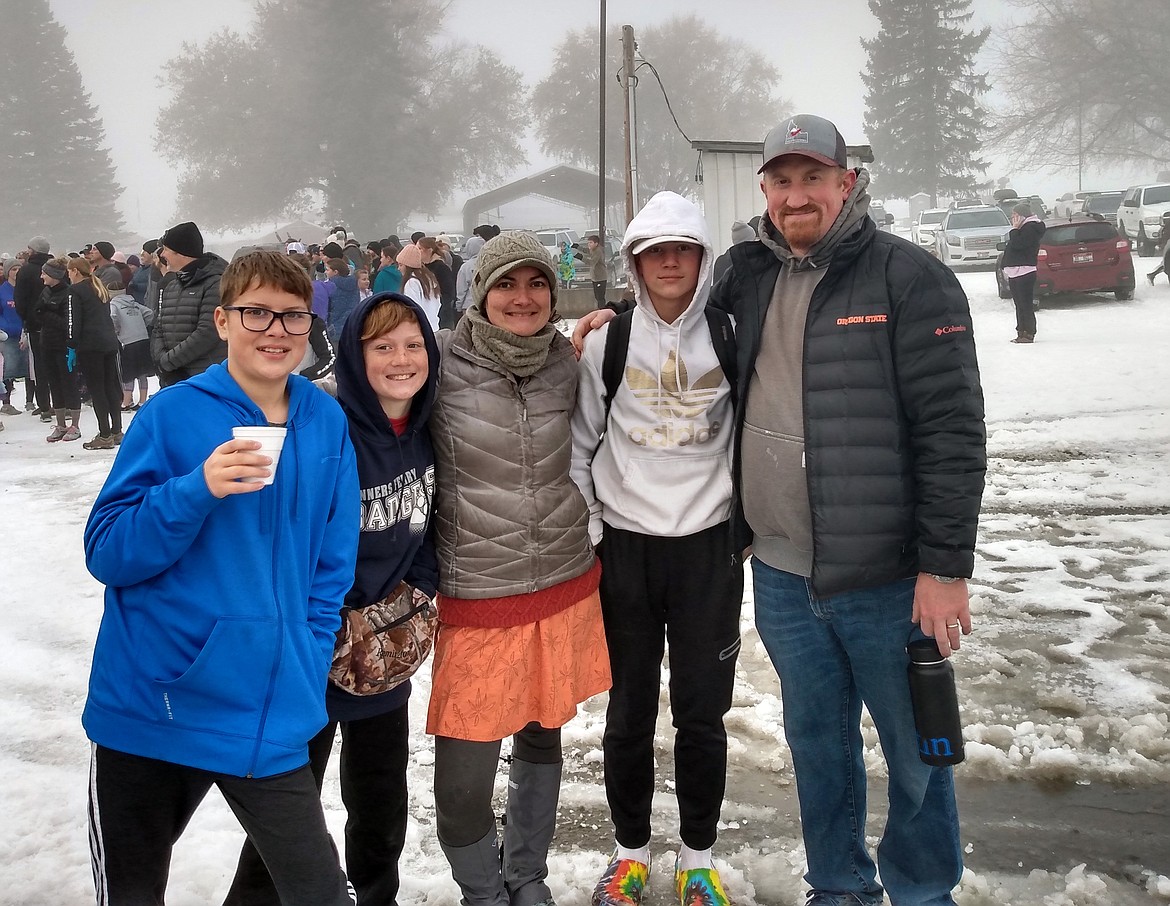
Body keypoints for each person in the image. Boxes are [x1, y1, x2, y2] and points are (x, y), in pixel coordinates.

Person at [575, 114, 986, 906]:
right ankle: (838, 887)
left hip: (886, 572)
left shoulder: (910, 277)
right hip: (783, 573)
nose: (797, 196)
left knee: (913, 751)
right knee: (817, 745)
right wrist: (605, 322)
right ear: (764, 190)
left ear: (846, 183)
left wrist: (944, 566)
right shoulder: (744, 277)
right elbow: (670, 312)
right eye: (782, 180)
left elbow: (953, 430)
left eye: (813, 178)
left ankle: (923, 890)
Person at [82, 250, 359, 906]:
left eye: (293, 316)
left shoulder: (326, 422)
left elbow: (331, 566)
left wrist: (306, 651)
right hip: (155, 702)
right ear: (223, 321)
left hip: (267, 707)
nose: (275, 330)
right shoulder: (171, 416)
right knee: (132, 893)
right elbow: (108, 551)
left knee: (320, 892)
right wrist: (195, 490)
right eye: (256, 312)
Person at [225, 290, 440, 906]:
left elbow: (429, 524)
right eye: (382, 346)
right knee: (287, 814)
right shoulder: (324, 425)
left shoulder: (424, 430)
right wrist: (325, 629)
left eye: (413, 343)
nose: (401, 359)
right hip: (309, 651)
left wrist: (412, 602)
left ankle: (378, 897)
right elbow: (279, 536)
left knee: (379, 803)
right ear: (353, 353)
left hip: (379, 653)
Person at [569, 193, 742, 906]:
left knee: (703, 714)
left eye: (683, 248)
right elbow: (580, 446)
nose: (669, 261)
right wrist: (593, 529)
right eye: (654, 250)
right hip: (628, 553)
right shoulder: (608, 343)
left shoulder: (733, 332)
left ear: (702, 260)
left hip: (708, 551)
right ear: (636, 261)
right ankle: (630, 853)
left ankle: (697, 858)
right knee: (630, 712)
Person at [429, 231, 611, 906]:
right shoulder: (439, 358)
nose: (522, 298)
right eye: (507, 283)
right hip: (478, 594)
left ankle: (526, 875)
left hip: (562, 582)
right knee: (462, 783)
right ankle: (483, 892)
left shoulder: (566, 361)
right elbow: (355, 391)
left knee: (542, 737)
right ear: (481, 290)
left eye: (536, 284)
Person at [152, 221, 228, 386]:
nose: (162, 255)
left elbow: (208, 332)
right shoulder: (172, 284)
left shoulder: (216, 283)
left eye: (166, 249)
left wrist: (169, 362)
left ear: (181, 252)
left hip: (205, 378)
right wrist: (161, 361)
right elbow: (159, 326)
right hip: (173, 378)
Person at [65, 257, 123, 450]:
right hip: (108, 343)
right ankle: (116, 430)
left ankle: (104, 434)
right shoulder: (99, 288)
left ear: (75, 271)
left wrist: (71, 345)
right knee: (110, 386)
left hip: (91, 346)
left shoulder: (75, 290)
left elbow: (74, 320)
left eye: (69, 271)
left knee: (97, 389)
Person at [35, 258, 84, 441]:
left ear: (54, 276)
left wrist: (47, 314)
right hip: (46, 343)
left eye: (44, 274)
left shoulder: (68, 293)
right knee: (54, 384)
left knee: (68, 383)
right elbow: (37, 312)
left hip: (63, 345)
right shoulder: (46, 291)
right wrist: (46, 313)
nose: (41, 277)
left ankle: (75, 425)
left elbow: (67, 322)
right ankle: (61, 424)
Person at [15, 236, 53, 418]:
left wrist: (26, 319)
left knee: (40, 366)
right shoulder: (56, 268)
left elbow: (20, 300)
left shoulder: (27, 271)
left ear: (33, 251)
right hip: (56, 324)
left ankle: (45, 405)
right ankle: (66, 402)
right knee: (59, 364)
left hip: (35, 324)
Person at [108, 280, 156, 411]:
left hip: (127, 341)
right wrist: (140, 325)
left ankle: (126, 401)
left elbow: (112, 317)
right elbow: (149, 313)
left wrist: (116, 330)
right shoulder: (133, 302)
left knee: (128, 372)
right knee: (142, 372)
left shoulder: (113, 304)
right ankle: (142, 401)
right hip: (143, 338)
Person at [1001, 202, 1045, 344]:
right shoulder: (1023, 227)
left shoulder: (1031, 228)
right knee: (1019, 304)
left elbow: (1019, 244)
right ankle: (1021, 331)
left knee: (1025, 304)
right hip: (1016, 271)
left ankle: (1029, 332)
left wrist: (1014, 230)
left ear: (1021, 216)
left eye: (1014, 215)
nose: (1012, 217)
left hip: (1025, 271)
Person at [0, 260, 27, 414]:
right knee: (8, 369)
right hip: (8, 335)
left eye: (19, 269)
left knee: (29, 369)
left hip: (25, 332)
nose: (16, 272)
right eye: (13, 269)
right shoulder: (2, 290)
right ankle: (6, 402)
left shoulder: (25, 289)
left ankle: (31, 402)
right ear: (7, 272)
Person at [396, 244, 441, 333]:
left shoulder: (411, 283)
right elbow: (438, 303)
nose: (398, 268)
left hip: (420, 329)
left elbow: (413, 309)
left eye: (401, 265)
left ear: (408, 265)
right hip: (434, 326)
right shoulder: (429, 277)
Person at [454, 235, 485, 323]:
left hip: (468, 305)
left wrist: (458, 306)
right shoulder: (489, 263)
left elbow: (461, 289)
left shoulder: (465, 267)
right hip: (485, 305)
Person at [578, 235, 608, 307]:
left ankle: (602, 311)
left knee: (600, 297)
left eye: (591, 242)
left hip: (600, 277)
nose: (589, 244)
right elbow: (587, 250)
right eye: (588, 242)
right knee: (597, 297)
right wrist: (578, 247)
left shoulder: (598, 251)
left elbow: (592, 262)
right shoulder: (593, 250)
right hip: (595, 277)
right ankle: (601, 309)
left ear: (596, 243)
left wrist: (582, 258)